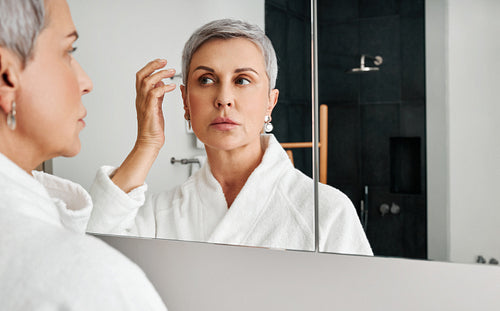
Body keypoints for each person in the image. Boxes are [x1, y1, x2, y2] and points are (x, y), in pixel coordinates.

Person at [88, 19, 372, 255]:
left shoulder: (326, 212)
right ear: (186, 102)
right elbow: (91, 259)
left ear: (270, 103)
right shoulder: (160, 214)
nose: (223, 98)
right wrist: (147, 144)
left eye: (242, 80)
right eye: (206, 80)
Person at [0, 0, 168, 309]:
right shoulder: (96, 286)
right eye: (69, 52)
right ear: (6, 77)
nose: (87, 83)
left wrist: (147, 144)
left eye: (242, 80)